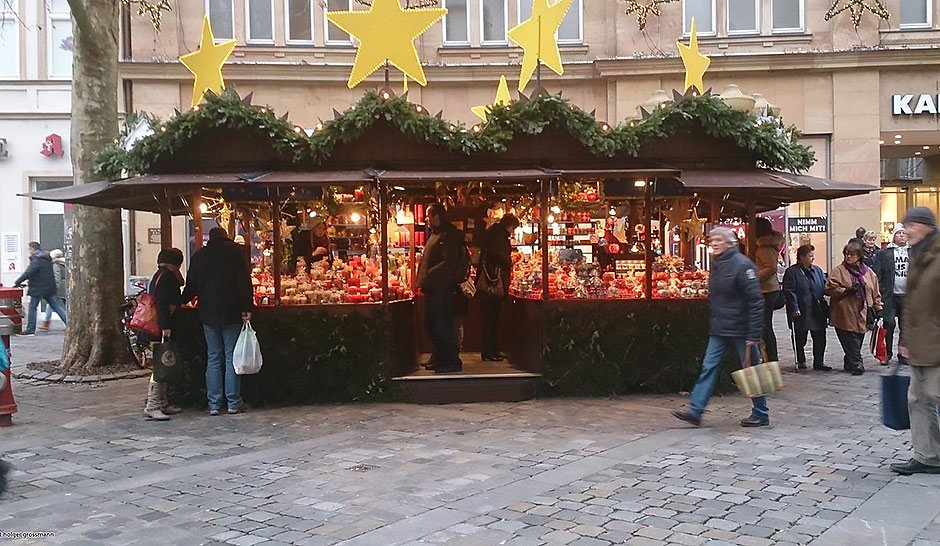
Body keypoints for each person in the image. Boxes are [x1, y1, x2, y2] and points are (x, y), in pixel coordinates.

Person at [672, 227, 770, 428]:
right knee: (709, 367)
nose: (714, 243)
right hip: (720, 328)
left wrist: (754, 334)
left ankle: (761, 412)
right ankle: (696, 411)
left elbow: (755, 301)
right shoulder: (717, 264)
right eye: (712, 240)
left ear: (730, 243)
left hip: (742, 330)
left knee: (751, 370)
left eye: (718, 240)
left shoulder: (743, 266)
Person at [181, 228, 253, 415]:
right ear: (226, 237)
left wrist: (180, 300)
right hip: (231, 310)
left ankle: (214, 404)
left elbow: (191, 285)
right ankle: (233, 402)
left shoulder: (200, 255)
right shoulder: (235, 252)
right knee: (231, 357)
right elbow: (243, 281)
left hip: (208, 312)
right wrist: (247, 307)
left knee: (213, 357)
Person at [891, 206, 940, 476]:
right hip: (920, 343)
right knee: (918, 400)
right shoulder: (917, 255)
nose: (905, 231)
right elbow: (910, 304)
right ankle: (928, 456)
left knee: (935, 395)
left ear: (925, 226)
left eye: (909, 225)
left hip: (936, 343)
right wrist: (905, 338)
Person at [417, 204, 463, 374]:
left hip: (442, 288)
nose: (426, 219)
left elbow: (449, 262)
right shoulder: (436, 234)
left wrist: (429, 273)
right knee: (431, 323)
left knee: (442, 325)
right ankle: (439, 357)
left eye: (429, 216)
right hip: (433, 287)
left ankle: (450, 360)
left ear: (437, 216)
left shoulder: (448, 235)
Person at [825, 242, 882, 376]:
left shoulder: (868, 272)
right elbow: (829, 288)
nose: (848, 257)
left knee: (858, 338)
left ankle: (849, 361)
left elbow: (874, 290)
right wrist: (845, 291)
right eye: (846, 254)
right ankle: (857, 363)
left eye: (852, 254)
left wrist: (878, 306)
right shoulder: (839, 270)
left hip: (862, 313)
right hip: (844, 312)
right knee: (850, 339)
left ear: (859, 256)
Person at [142, 248, 186, 421]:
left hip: (159, 324)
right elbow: (163, 302)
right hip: (163, 326)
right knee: (160, 366)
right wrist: (166, 326)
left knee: (164, 363)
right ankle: (153, 405)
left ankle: (163, 402)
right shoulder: (167, 277)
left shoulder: (158, 275)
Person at [783, 244, 831, 371]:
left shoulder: (818, 270)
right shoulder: (792, 272)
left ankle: (819, 362)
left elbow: (824, 286)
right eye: (810, 256)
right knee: (800, 336)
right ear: (801, 257)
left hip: (817, 309)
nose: (812, 258)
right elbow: (789, 291)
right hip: (802, 309)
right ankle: (801, 360)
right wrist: (794, 308)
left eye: (812, 256)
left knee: (820, 336)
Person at [479, 214, 519, 362]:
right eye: (513, 228)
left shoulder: (494, 233)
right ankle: (489, 351)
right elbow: (499, 256)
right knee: (491, 317)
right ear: (509, 226)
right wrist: (511, 260)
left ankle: (492, 350)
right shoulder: (499, 237)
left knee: (492, 317)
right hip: (494, 282)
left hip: (493, 282)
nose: (512, 231)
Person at [874, 224, 909, 366]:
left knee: (906, 326)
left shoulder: (913, 252)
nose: (902, 235)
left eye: (904, 233)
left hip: (907, 296)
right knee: (889, 323)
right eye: (899, 233)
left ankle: (903, 353)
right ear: (894, 236)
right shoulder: (884, 253)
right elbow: (878, 274)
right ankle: (886, 353)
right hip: (889, 295)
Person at [14, 242, 67, 336]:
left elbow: (29, 272)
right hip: (49, 287)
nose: (29, 251)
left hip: (38, 288)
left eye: (29, 249)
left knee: (32, 307)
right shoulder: (47, 259)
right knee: (56, 306)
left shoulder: (36, 259)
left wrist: (17, 282)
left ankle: (30, 330)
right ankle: (69, 324)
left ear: (32, 249)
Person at [754, 217, 784, 361]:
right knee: (764, 324)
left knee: (765, 324)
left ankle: (771, 356)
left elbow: (770, 268)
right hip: (766, 289)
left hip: (766, 290)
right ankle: (768, 355)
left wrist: (753, 279)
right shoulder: (765, 245)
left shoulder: (764, 247)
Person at [39, 249, 67, 332]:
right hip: (66, 287)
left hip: (58, 288)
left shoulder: (55, 265)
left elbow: (56, 277)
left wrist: (55, 287)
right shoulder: (65, 263)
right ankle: (68, 323)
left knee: (51, 305)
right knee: (66, 306)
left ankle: (46, 322)